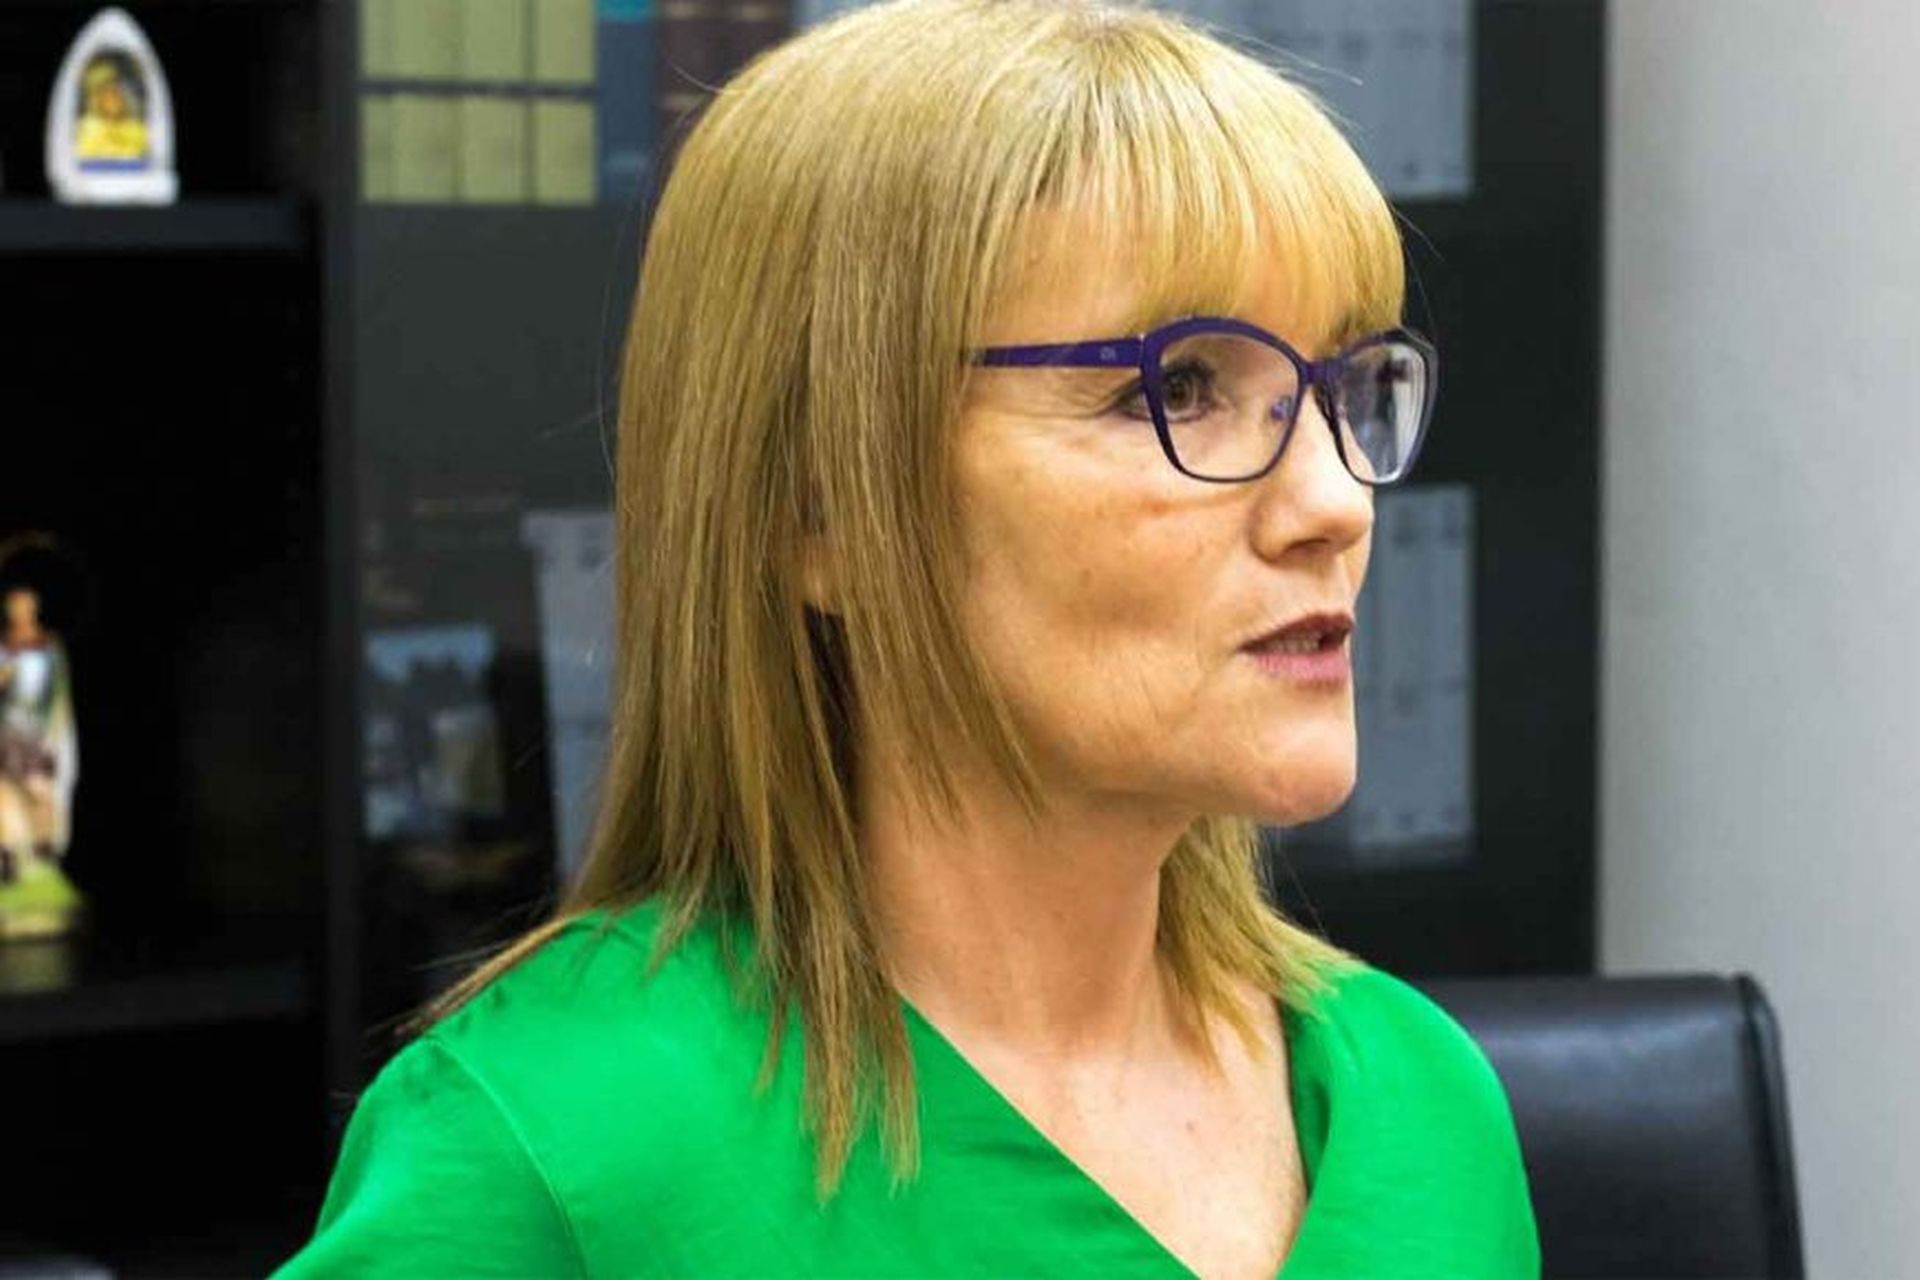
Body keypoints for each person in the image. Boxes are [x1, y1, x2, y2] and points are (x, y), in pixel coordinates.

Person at [273, 0, 1539, 1275]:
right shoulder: (550, 1152)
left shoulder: (1420, 1105)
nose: (1336, 498)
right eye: (1179, 386)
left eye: (1341, 385)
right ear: (822, 508)